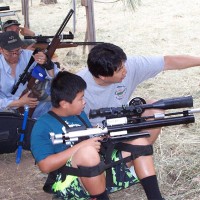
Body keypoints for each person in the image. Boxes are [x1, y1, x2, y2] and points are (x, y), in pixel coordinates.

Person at [31, 71, 164, 200]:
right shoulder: (42, 125)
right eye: (80, 98)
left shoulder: (79, 114)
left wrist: (104, 135)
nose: (84, 102)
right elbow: (45, 166)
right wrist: (83, 146)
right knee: (87, 152)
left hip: (98, 171)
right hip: (69, 182)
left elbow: (92, 140)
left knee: (139, 141)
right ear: (64, 103)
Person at [77, 42, 200, 144]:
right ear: (102, 76)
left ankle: (136, 156)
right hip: (96, 135)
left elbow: (168, 62)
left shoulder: (129, 65)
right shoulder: (78, 86)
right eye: (120, 70)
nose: (125, 71)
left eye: (123, 65)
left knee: (154, 109)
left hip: (124, 123)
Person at [0, 31, 59, 119]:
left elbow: (56, 77)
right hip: (5, 112)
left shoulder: (29, 56)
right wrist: (19, 102)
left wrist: (47, 63)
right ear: (1, 49)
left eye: (17, 50)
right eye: (10, 52)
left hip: (34, 106)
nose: (15, 56)